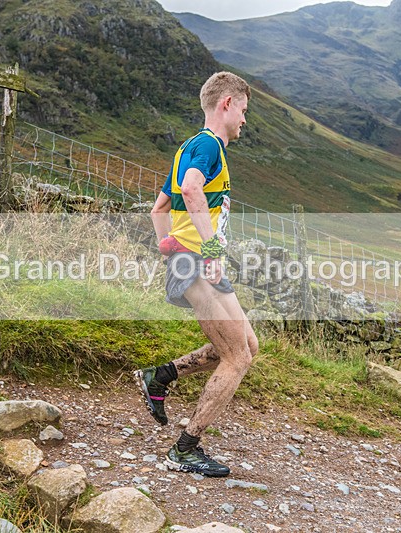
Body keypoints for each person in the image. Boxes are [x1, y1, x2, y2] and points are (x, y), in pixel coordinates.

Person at [134, 72, 258, 478]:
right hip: (198, 262)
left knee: (249, 345)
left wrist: (167, 246)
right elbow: (190, 191)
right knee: (236, 356)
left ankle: (160, 376)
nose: (244, 119)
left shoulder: (190, 146)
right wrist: (210, 250)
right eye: (243, 109)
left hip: (189, 259)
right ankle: (186, 449)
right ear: (226, 104)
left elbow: (159, 209)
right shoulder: (207, 146)